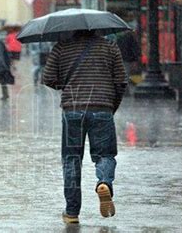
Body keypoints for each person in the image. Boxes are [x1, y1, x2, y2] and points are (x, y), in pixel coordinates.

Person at [42, 30, 127, 224]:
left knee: (71, 159)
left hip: (72, 110)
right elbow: (121, 81)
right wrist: (111, 105)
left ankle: (72, 213)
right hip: (102, 107)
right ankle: (104, 182)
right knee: (105, 154)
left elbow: (48, 78)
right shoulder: (109, 46)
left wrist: (66, 83)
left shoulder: (61, 47)